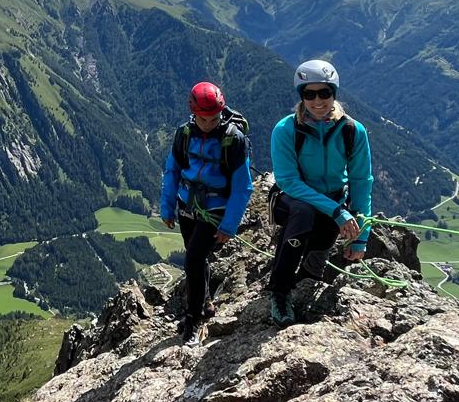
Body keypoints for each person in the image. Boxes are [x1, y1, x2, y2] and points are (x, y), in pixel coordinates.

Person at [266, 59, 373, 325]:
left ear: (334, 92)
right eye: (309, 94)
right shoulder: (286, 130)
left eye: (324, 92)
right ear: (301, 96)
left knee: (318, 250)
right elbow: (289, 181)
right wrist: (337, 211)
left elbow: (361, 181)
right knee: (303, 214)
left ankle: (307, 280)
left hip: (333, 201)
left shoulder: (351, 131)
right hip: (294, 200)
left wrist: (360, 237)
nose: (317, 101)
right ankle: (279, 292)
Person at [160, 81, 253, 346]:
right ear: (193, 112)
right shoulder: (184, 134)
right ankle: (207, 302)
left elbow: (243, 186)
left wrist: (229, 225)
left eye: (214, 118)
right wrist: (167, 207)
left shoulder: (233, 139)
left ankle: (195, 319)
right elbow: (172, 171)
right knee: (197, 259)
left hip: (215, 211)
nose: (209, 123)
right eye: (203, 118)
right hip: (187, 206)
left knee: (192, 260)